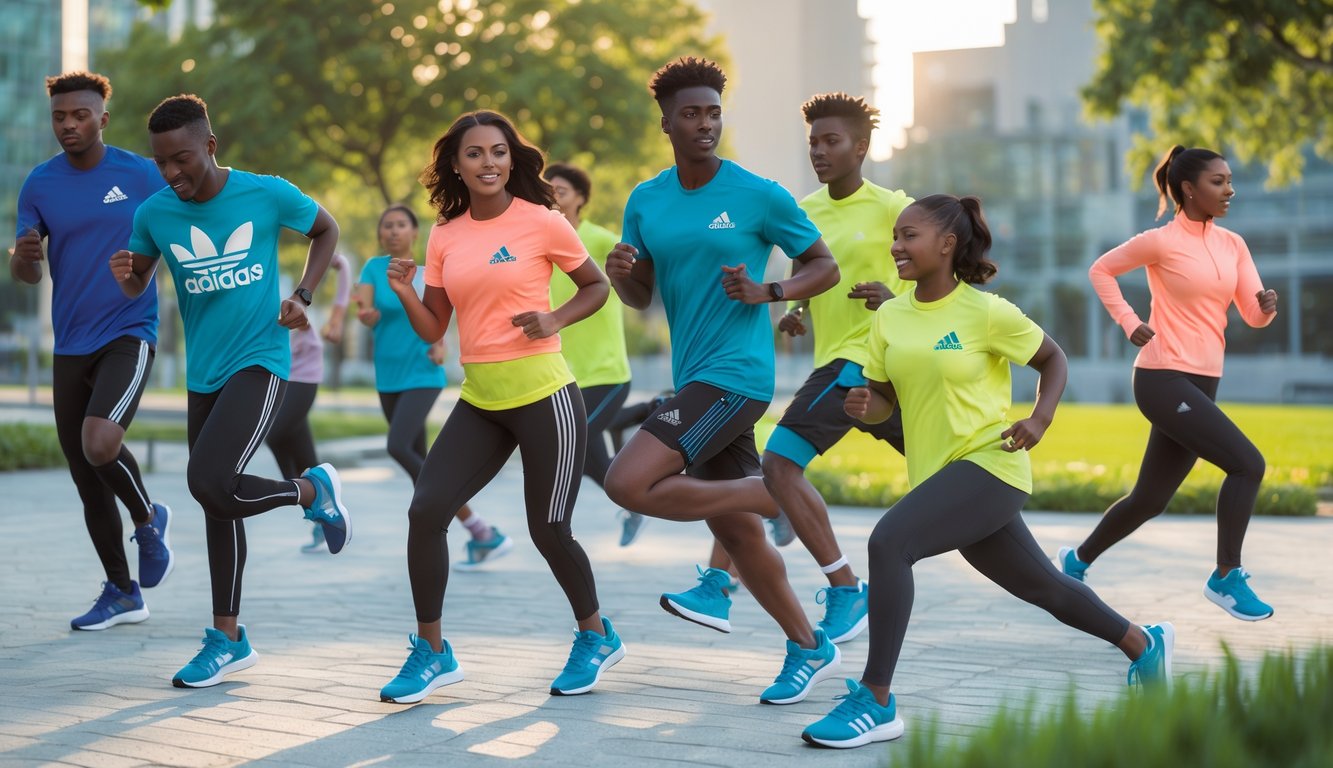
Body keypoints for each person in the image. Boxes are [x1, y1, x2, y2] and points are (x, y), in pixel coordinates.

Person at [800, 194, 1173, 749]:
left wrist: (1040, 418)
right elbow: (882, 401)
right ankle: (1143, 644)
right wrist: (865, 407)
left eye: (909, 236)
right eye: (895, 236)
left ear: (947, 245)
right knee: (1044, 587)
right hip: (939, 476)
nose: (896, 246)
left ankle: (875, 700)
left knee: (889, 543)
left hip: (990, 464)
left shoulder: (987, 312)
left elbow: (1053, 358)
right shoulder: (890, 317)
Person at [602, 57, 844, 705]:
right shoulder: (646, 200)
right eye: (691, 113)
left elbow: (824, 266)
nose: (705, 123)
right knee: (735, 530)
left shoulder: (758, 194)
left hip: (736, 376)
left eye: (713, 112)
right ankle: (808, 646)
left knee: (626, 481)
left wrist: (771, 291)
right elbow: (642, 295)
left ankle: (772, 493)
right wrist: (621, 274)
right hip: (694, 376)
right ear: (666, 123)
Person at [377, 110, 623, 704]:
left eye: (498, 151)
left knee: (549, 529)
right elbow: (435, 325)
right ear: (456, 165)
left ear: (512, 159)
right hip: (481, 400)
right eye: (474, 153)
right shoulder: (445, 235)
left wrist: (554, 319)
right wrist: (405, 291)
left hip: (546, 396)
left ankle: (596, 635)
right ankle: (433, 652)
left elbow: (596, 286)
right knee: (426, 510)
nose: (488, 163)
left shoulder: (542, 221)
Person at [109, 94, 352, 688]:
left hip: (261, 360)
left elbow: (326, 229)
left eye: (183, 159)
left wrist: (304, 294)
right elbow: (139, 282)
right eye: (161, 162)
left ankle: (309, 490)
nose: (172, 172)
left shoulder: (265, 193)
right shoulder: (154, 213)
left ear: (210, 146)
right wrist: (128, 277)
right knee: (217, 500)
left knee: (208, 481)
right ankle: (229, 638)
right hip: (204, 373)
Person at [1056, 145, 1278, 622]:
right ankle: (1226, 576)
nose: (1230, 189)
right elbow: (1101, 269)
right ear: (1188, 189)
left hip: (1204, 380)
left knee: (1150, 499)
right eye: (1218, 181)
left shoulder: (1233, 245)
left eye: (1229, 180)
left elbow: (1251, 314)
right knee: (1247, 465)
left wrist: (1265, 309)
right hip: (1162, 377)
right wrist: (1129, 320)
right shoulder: (1160, 242)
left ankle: (1075, 561)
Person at [12, 71, 173, 631]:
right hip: (70, 342)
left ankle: (148, 518)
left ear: (102, 119)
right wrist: (24, 259)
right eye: (59, 117)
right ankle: (123, 592)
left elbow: (181, 221)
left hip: (129, 330)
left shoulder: (141, 173)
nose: (68, 125)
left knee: (101, 442)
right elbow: (28, 274)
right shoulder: (39, 184)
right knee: (86, 477)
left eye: (80, 115)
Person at [761, 92, 913, 644]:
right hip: (842, 363)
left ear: (861, 147)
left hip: (869, 359)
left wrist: (894, 299)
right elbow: (811, 273)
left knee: (779, 464)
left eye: (832, 141)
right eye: (814, 143)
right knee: (947, 469)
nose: (819, 152)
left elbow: (938, 273)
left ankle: (847, 590)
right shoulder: (804, 211)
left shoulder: (895, 208)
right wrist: (798, 311)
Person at [356, 203, 510, 569]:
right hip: (388, 375)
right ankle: (479, 534)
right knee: (420, 465)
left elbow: (441, 315)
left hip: (423, 373)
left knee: (398, 446)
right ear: (380, 234)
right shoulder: (373, 268)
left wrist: (441, 344)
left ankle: (473, 526)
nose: (393, 231)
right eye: (387, 225)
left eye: (401, 225)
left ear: (414, 233)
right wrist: (367, 315)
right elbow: (364, 310)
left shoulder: (428, 272)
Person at [544, 162, 645, 547]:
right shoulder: (542, 242)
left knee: (575, 441)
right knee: (586, 455)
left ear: (581, 198)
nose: (554, 197)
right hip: (566, 373)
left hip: (606, 370)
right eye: (549, 191)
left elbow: (637, 260)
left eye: (562, 191)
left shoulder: (599, 240)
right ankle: (633, 503)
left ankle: (646, 413)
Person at [265, 251, 350, 554]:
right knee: (305, 458)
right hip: (284, 379)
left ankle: (307, 497)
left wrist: (342, 267)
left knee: (274, 433)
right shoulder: (271, 297)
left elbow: (341, 278)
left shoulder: (296, 302)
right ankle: (323, 518)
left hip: (303, 380)